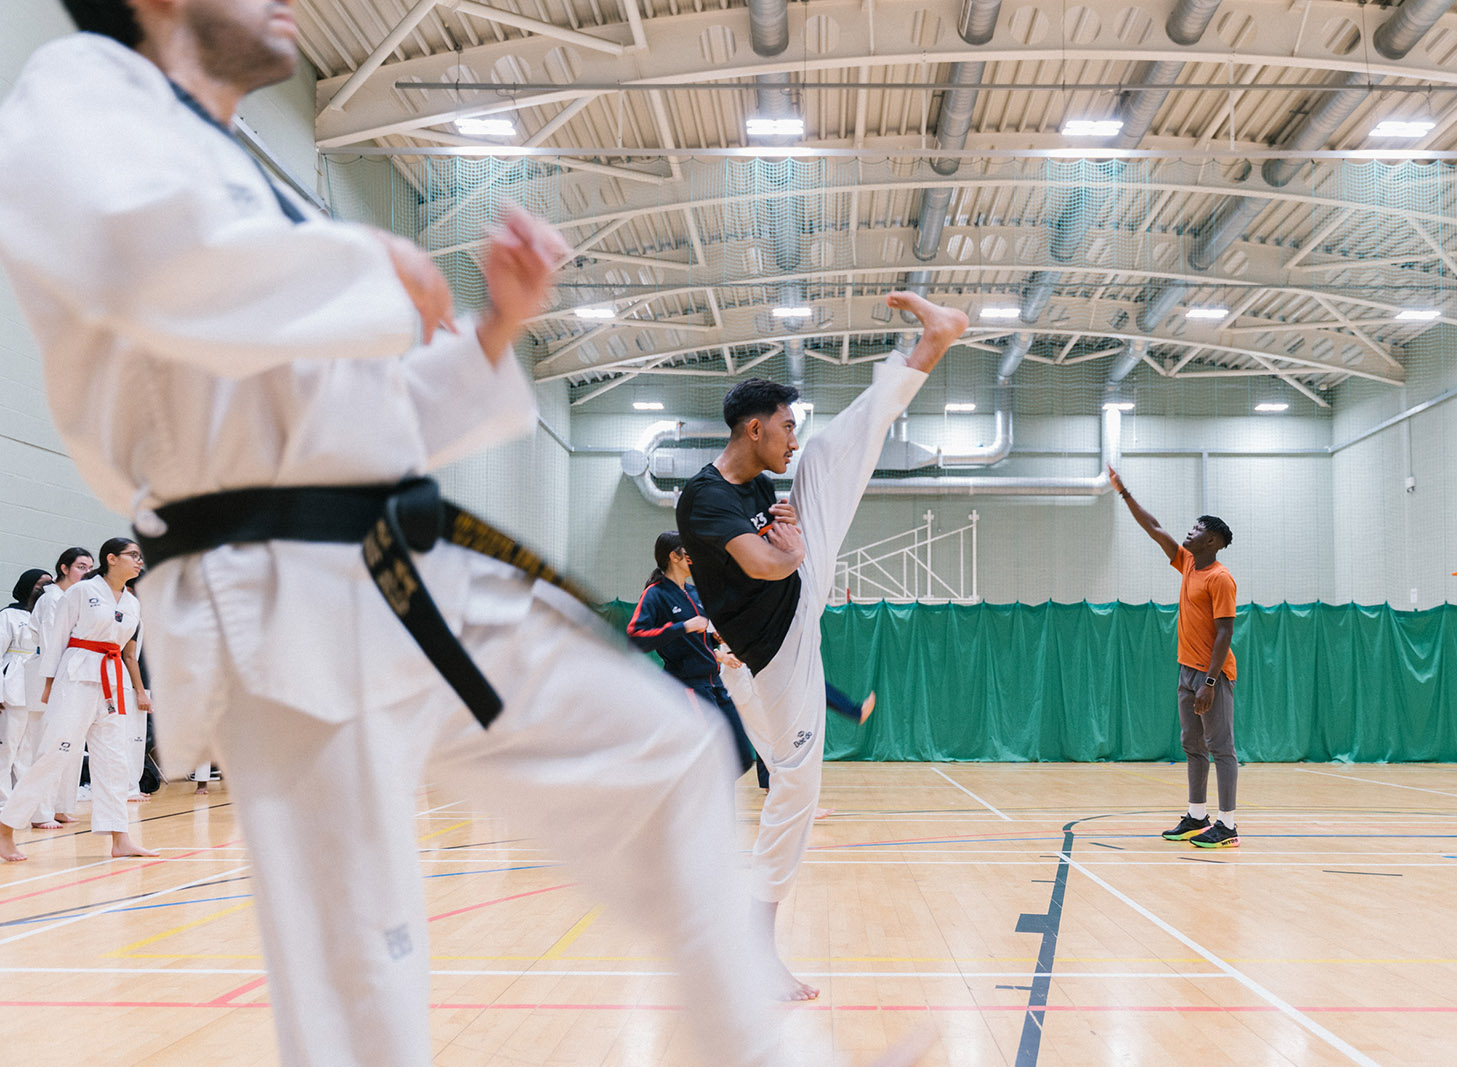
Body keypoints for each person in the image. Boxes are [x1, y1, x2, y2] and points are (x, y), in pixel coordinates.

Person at [0, 4, 927, 1065]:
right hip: (273, 602)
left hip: (396, 569)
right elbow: (139, 261)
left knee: (669, 760)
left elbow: (362, 419)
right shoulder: (80, 92)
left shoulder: (235, 164)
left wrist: (492, 330)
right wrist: (363, 263)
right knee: (363, 987)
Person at [677, 292, 968, 999]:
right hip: (776, 647)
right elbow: (767, 563)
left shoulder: (770, 476)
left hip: (794, 602)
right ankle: (752, 949)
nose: (791, 438)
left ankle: (932, 342)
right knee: (797, 787)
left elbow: (787, 549)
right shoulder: (703, 499)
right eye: (783, 427)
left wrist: (795, 545)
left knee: (843, 445)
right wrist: (793, 547)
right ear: (752, 428)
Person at [1107, 466, 1240, 848]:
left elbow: (1225, 632)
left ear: (1211, 540)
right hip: (1186, 671)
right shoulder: (1186, 564)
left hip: (1212, 675)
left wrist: (1210, 683)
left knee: (1222, 749)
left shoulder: (1220, 578)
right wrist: (1125, 493)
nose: (1190, 532)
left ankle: (1227, 825)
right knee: (1192, 746)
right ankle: (1197, 817)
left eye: (1198, 529)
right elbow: (1154, 528)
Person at [0, 538, 156, 859]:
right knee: (53, 754)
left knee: (115, 760)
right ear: (111, 559)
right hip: (76, 676)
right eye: (133, 556)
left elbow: (126, 649)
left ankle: (120, 838)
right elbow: (56, 638)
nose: (139, 562)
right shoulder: (82, 591)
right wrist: (48, 682)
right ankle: (5, 829)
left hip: (111, 682)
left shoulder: (132, 602)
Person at [627, 531, 764, 782]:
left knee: (742, 757)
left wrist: (714, 640)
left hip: (714, 683)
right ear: (673, 556)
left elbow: (696, 639)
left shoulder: (695, 593)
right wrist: (684, 626)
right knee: (711, 752)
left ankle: (692, 796)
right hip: (687, 685)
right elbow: (635, 637)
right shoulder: (656, 595)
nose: (693, 556)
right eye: (687, 550)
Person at [18, 546, 95, 828]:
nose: (86, 572)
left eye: (89, 568)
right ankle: (39, 812)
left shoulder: (76, 599)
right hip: (45, 678)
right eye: (81, 567)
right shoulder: (52, 600)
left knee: (69, 746)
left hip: (68, 678)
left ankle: (61, 805)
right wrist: (55, 682)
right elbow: (52, 646)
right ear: (64, 568)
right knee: (43, 745)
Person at [0, 568, 52, 806]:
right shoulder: (8, 615)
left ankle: (20, 801)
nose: (44, 589)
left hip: (34, 684)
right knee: (7, 747)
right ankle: (3, 799)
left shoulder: (45, 617)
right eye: (40, 584)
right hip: (12, 685)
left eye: (49, 584)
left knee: (27, 750)